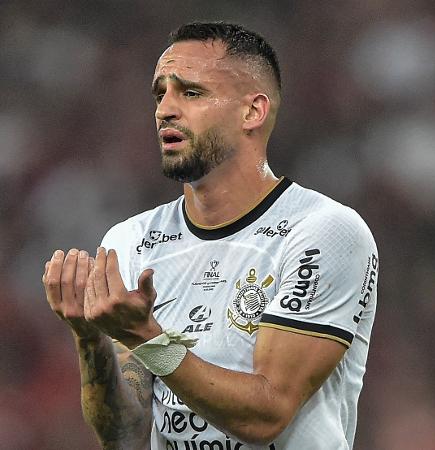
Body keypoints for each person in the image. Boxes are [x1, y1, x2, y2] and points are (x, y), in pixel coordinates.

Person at [42, 22, 378, 450]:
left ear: (252, 112)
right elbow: (124, 435)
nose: (165, 109)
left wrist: (147, 337)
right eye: (159, 93)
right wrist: (89, 338)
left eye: (191, 92)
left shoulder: (322, 231)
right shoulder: (132, 241)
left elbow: (266, 416)